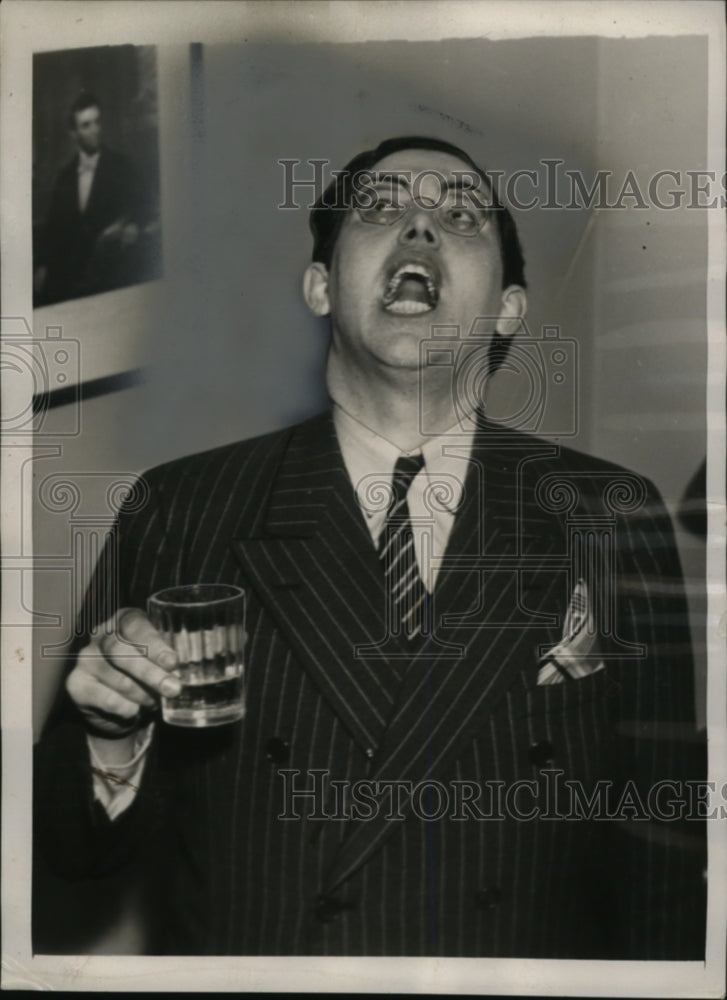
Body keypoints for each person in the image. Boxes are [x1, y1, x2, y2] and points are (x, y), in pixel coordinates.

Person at [34, 136, 706, 958]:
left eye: (459, 217)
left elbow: (665, 855)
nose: (418, 229)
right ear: (321, 286)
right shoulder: (179, 507)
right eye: (381, 210)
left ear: (508, 309)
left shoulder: (611, 515)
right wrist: (110, 733)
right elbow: (68, 852)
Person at [34, 92, 149, 305]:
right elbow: (52, 229)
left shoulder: (121, 166)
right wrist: (42, 265)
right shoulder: (65, 177)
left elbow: (144, 205)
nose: (95, 130)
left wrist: (134, 225)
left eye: (97, 122)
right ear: (73, 134)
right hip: (71, 279)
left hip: (111, 277)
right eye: (86, 125)